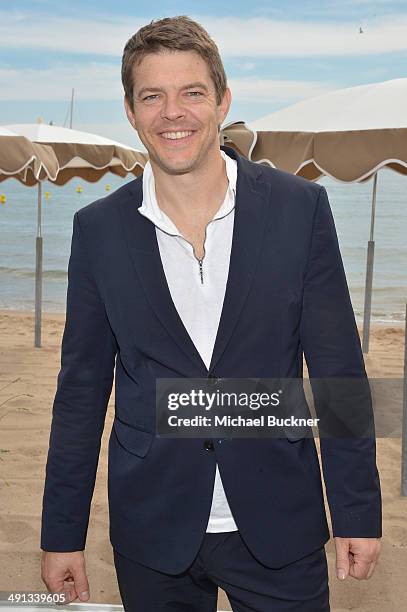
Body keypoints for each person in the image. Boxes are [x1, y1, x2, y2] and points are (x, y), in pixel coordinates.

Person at [40, 15, 382, 612]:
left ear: (223, 100)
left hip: (282, 522)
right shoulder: (97, 231)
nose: (174, 113)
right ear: (131, 110)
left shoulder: (301, 210)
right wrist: (61, 533)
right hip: (153, 530)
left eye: (192, 92)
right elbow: (81, 393)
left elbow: (339, 375)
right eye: (153, 96)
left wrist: (357, 511)